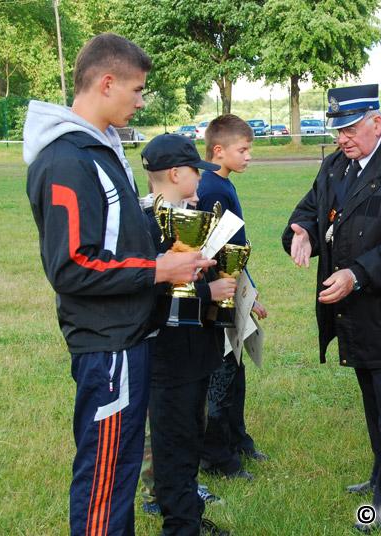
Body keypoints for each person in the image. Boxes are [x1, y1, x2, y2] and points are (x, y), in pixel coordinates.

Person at [24, 33, 213, 535]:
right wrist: (158, 270)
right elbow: (71, 266)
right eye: (137, 89)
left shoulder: (100, 149)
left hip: (129, 337)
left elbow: (113, 242)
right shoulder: (67, 160)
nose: (141, 100)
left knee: (121, 474)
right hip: (108, 346)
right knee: (104, 482)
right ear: (107, 82)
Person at [282, 84, 381, 532]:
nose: (342, 138)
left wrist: (358, 274)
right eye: (336, 130)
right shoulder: (337, 164)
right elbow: (312, 209)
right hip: (352, 310)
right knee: (373, 397)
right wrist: (303, 232)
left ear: (378, 122)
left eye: (350, 128)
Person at [139, 134, 232, 536]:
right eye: (196, 171)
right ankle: (180, 524)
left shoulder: (187, 215)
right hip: (169, 357)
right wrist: (207, 292)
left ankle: (187, 511)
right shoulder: (146, 224)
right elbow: (149, 297)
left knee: (190, 435)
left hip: (195, 352)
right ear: (176, 174)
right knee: (174, 441)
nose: (201, 179)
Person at [198, 114, 269, 480]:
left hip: (234, 289)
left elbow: (235, 248)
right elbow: (212, 249)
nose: (249, 156)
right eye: (243, 149)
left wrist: (249, 293)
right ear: (219, 150)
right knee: (221, 376)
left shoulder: (224, 183)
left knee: (235, 370)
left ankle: (237, 439)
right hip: (217, 294)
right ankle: (215, 456)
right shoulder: (210, 188)